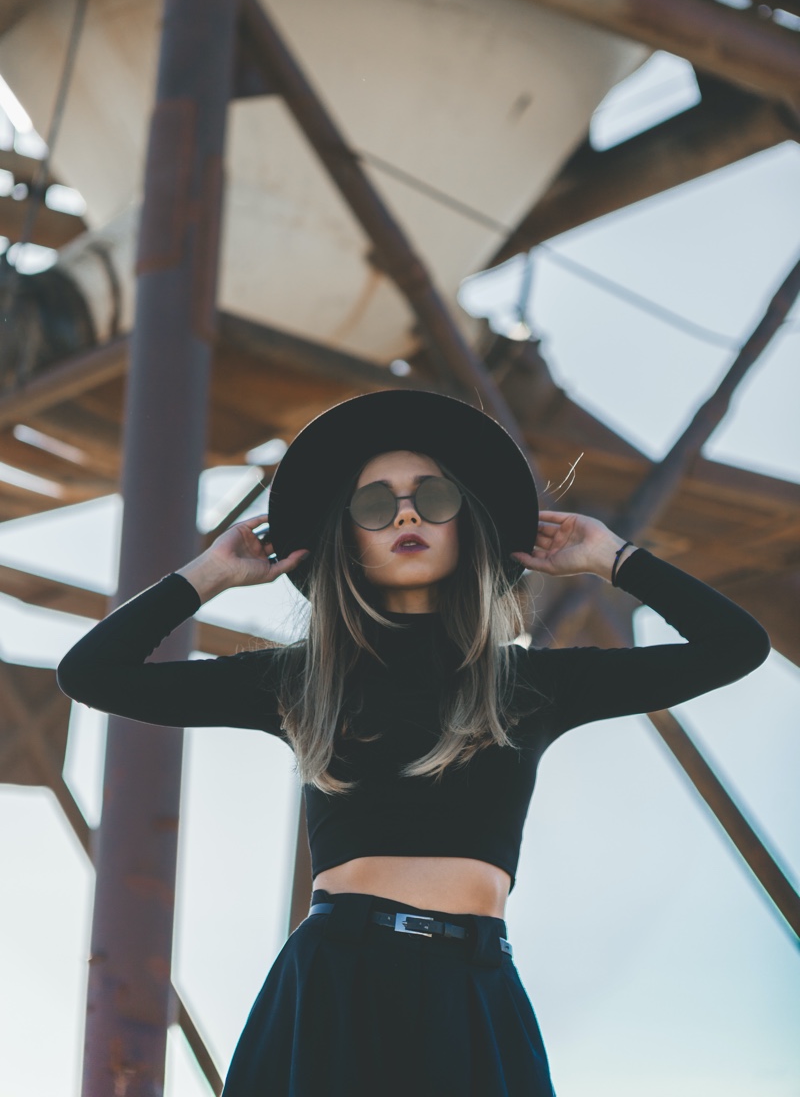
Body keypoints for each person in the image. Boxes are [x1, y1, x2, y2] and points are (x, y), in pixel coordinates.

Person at [57, 389, 770, 1097]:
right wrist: (210, 573)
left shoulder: (531, 685)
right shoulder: (301, 680)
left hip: (476, 987)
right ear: (349, 538)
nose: (405, 512)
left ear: (466, 524)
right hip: (337, 982)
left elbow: (734, 648)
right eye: (375, 504)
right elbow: (93, 675)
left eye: (432, 496)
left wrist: (614, 558)